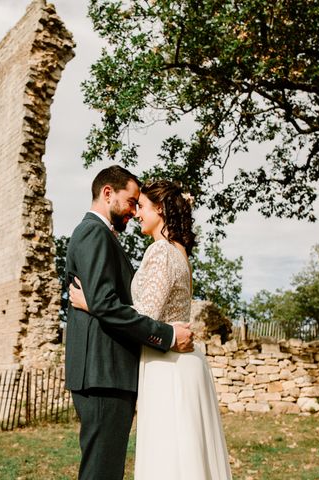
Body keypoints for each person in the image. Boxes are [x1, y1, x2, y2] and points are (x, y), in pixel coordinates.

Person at [69, 179, 232, 480]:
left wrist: (92, 304)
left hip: (166, 365)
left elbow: (147, 314)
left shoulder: (160, 251)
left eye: (141, 205)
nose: (137, 213)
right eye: (134, 204)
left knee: (169, 456)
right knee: (186, 455)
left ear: (160, 208)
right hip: (182, 363)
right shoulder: (180, 252)